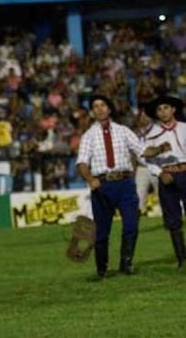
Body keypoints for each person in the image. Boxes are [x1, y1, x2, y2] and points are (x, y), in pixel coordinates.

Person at [76, 94, 160, 278]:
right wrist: (90, 179)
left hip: (125, 183)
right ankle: (102, 269)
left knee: (131, 225)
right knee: (102, 231)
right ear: (92, 112)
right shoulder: (88, 136)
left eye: (102, 105)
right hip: (102, 185)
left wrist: (161, 149)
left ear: (110, 109)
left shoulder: (123, 131)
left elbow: (142, 152)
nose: (99, 109)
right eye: (95, 106)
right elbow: (81, 163)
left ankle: (126, 263)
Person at [143, 94, 186, 268]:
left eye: (166, 107)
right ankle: (182, 259)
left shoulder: (185, 128)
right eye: (159, 109)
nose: (163, 112)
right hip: (166, 176)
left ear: (173, 109)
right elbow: (146, 159)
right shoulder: (151, 134)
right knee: (172, 218)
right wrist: (160, 173)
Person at [133, 109, 158, 213]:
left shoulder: (158, 130)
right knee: (138, 196)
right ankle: (138, 221)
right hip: (141, 168)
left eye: (145, 116)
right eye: (141, 116)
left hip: (157, 166)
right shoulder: (135, 133)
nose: (143, 118)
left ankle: (169, 221)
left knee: (163, 195)